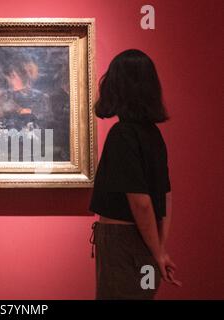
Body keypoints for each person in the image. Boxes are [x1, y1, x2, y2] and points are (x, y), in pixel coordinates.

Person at [89, 49, 182, 300]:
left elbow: (140, 201)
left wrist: (157, 251)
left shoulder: (122, 135)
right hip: (147, 239)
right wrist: (158, 249)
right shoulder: (153, 134)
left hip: (122, 241)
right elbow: (166, 197)